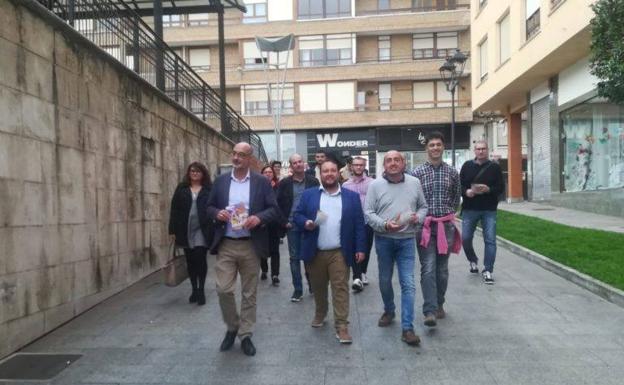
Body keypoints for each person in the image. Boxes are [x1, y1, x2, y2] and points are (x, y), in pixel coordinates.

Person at [207, 142, 279, 357]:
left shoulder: (260, 182)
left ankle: (245, 334)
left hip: (250, 244)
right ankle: (232, 325)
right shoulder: (220, 181)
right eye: (234, 154)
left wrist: (258, 218)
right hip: (227, 243)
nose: (236, 158)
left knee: (249, 293)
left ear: (249, 159)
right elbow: (208, 206)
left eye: (241, 155)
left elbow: (274, 209)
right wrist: (216, 213)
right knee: (223, 289)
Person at [294, 159, 366, 344]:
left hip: (340, 252)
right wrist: (305, 223)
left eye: (333, 170)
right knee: (318, 287)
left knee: (340, 288)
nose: (329, 174)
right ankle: (320, 312)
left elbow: (359, 224)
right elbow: (298, 215)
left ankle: (342, 326)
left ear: (339, 173)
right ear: (320, 173)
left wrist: (360, 248)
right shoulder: (310, 195)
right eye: (325, 171)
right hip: (315, 251)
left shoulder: (350, 196)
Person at [364, 151, 428, 346]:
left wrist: (419, 217)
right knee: (384, 280)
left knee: (408, 283)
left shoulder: (414, 183)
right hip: (384, 239)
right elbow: (368, 212)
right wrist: (384, 224)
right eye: (389, 160)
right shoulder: (375, 186)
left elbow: (423, 207)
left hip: (407, 240)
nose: (393, 163)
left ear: (403, 163)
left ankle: (407, 328)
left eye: (397, 160)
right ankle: (389, 310)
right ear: (384, 165)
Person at [410, 132, 462, 328]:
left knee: (442, 270)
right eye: (431, 145)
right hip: (424, 228)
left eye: (438, 144)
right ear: (427, 149)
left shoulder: (452, 173)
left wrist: (448, 215)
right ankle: (429, 310)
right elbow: (412, 199)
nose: (435, 148)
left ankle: (440, 303)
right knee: (428, 268)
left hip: (446, 227)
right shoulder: (417, 173)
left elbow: (456, 199)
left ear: (443, 148)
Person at [168, 162, 215, 306]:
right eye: (192, 171)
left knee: (200, 258)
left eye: (198, 171)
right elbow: (174, 209)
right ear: (189, 173)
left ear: (203, 174)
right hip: (185, 229)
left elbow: (214, 206)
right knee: (190, 261)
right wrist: (172, 230)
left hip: (202, 228)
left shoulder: (208, 189)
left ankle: (201, 290)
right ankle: (194, 288)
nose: (194, 173)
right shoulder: (181, 189)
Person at [459, 140, 505, 284]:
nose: (481, 151)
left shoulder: (495, 168)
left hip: (488, 209)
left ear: (487, 150)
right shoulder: (467, 166)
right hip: (470, 208)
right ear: (474, 151)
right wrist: (466, 192)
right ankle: (472, 260)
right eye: (478, 149)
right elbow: (459, 186)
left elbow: (501, 188)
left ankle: (488, 270)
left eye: (483, 149)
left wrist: (489, 189)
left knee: (490, 240)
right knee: (465, 239)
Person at [276, 154, 319, 302]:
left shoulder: (313, 182)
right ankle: (298, 290)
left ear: (304, 164)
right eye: (295, 163)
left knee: (310, 257)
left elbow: (319, 201)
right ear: (291, 166)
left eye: (300, 161)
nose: (298, 164)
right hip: (292, 225)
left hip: (309, 224)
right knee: (294, 259)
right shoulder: (284, 184)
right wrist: (284, 222)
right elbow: (277, 205)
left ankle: (312, 284)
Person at [342, 156, 374, 292]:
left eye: (361, 165)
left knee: (366, 248)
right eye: (356, 165)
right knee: (355, 248)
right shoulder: (345, 185)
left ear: (364, 166)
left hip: (367, 220)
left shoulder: (373, 183)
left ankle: (363, 271)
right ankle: (357, 276)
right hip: (352, 222)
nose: (359, 167)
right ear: (351, 167)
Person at [260, 165, 282, 285]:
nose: (268, 174)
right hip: (261, 223)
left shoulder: (279, 187)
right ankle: (264, 269)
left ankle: (275, 274)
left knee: (275, 250)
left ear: (273, 174)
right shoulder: (257, 187)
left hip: (274, 223)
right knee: (262, 249)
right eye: (265, 172)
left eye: (270, 172)